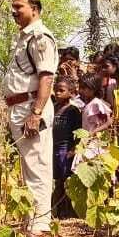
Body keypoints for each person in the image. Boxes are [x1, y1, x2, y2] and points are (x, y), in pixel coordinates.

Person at [3, 0, 58, 237]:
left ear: (34, 8)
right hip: (19, 108)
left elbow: (47, 76)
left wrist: (35, 112)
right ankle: (32, 222)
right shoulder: (23, 39)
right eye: (13, 7)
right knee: (28, 168)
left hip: (30, 107)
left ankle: (40, 227)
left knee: (38, 166)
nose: (14, 11)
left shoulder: (40, 37)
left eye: (19, 7)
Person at [51, 76, 83, 218]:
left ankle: (66, 211)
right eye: (55, 90)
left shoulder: (73, 111)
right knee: (57, 180)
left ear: (70, 93)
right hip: (53, 148)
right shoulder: (53, 108)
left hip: (66, 149)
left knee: (66, 180)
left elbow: (78, 132)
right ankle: (55, 210)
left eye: (61, 90)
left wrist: (73, 150)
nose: (57, 93)